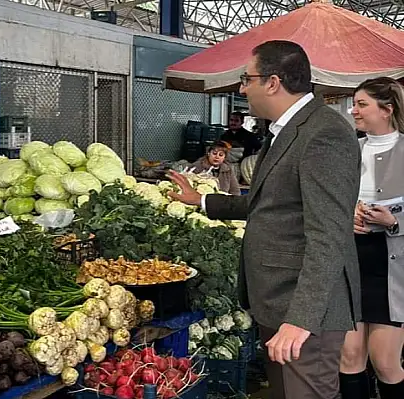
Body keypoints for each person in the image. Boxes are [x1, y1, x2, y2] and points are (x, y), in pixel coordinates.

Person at [167, 40, 361, 399]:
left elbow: (329, 235)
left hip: (303, 310)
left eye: (246, 78)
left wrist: (301, 318)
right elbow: (272, 203)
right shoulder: (284, 131)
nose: (242, 88)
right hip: (277, 300)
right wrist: (203, 200)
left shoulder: (324, 133)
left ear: (273, 82)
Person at [338, 77, 404, 399]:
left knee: (385, 362)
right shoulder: (348, 150)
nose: (354, 111)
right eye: (354, 104)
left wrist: (395, 221)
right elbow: (331, 200)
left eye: (362, 104)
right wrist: (346, 214)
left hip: (391, 268)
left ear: (387, 110)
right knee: (349, 356)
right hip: (350, 261)